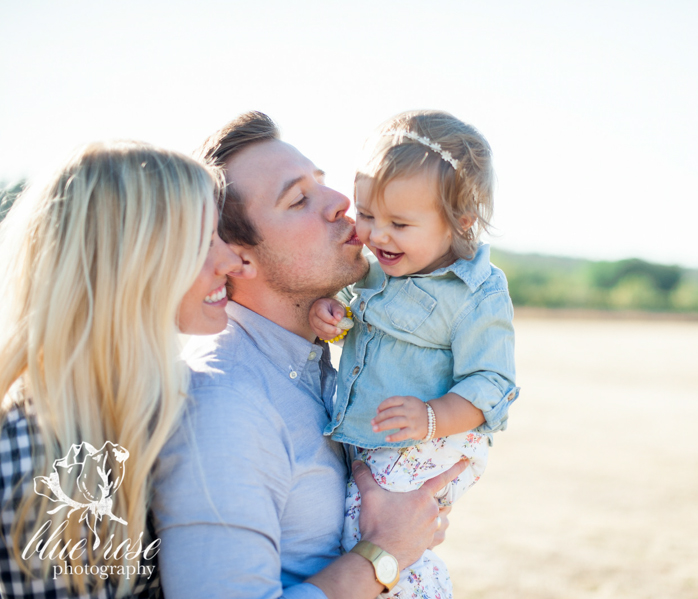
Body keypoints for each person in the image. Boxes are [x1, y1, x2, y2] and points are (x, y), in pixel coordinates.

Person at [151, 112, 464, 599]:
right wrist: (386, 551)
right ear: (238, 256)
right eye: (299, 199)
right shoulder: (224, 404)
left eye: (322, 183)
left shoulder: (317, 362)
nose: (342, 203)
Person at [0, 140, 243, 598]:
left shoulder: (148, 413)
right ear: (131, 263)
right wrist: (376, 558)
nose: (231, 261)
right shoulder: (35, 459)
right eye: (202, 243)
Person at [308, 109, 518, 598]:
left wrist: (430, 416)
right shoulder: (380, 267)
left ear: (459, 222)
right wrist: (332, 321)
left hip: (437, 437)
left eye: (399, 223)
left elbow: (493, 384)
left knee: (372, 533)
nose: (377, 236)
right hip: (380, 436)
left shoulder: (476, 291)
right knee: (349, 528)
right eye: (366, 216)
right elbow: (363, 335)